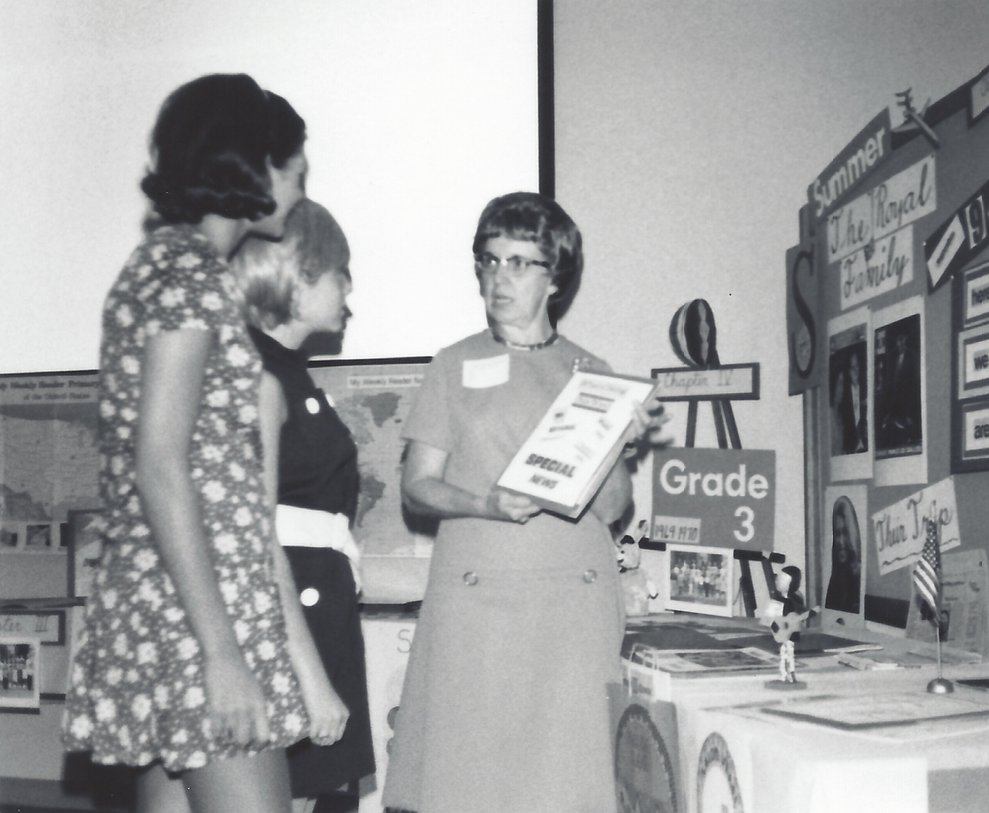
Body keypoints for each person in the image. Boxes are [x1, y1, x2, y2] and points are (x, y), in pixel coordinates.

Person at [63, 74, 347, 813]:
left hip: (163, 609)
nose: (298, 184)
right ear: (252, 166)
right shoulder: (190, 276)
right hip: (201, 615)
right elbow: (161, 464)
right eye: (293, 168)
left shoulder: (157, 267)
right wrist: (222, 654)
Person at [381, 191, 662, 813]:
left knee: (570, 778)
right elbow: (418, 487)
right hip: (480, 598)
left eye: (517, 262)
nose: (496, 277)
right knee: (473, 779)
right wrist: (486, 503)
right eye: (488, 260)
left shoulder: (593, 371)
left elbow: (614, 507)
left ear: (554, 275)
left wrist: (617, 444)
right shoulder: (453, 365)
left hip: (573, 602)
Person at [230, 199, 375, 813]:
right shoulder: (255, 372)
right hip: (289, 633)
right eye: (341, 272)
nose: (350, 292)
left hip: (322, 613)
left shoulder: (288, 371)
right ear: (302, 274)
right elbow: (256, 538)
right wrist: (309, 679)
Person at [825, 497, 862, 614]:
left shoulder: (859, 577)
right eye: (837, 534)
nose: (840, 541)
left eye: (845, 533)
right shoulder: (835, 577)